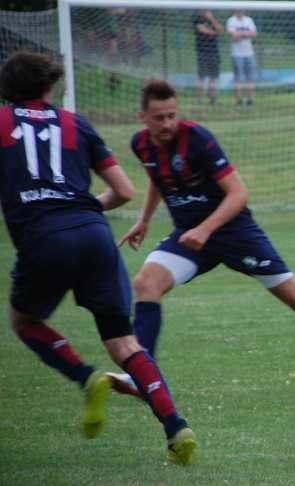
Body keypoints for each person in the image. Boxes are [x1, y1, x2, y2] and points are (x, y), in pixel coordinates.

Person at [115, 80, 295, 395]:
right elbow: (157, 179)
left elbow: (239, 193)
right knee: (146, 283)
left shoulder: (197, 139)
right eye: (159, 117)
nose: (168, 124)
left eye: (172, 115)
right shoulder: (141, 144)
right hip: (190, 239)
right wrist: (144, 220)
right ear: (142, 117)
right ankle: (142, 377)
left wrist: (205, 229)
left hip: (233, 232)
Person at [0, 52, 196, 464]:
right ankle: (176, 427)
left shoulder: (2, 123)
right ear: (49, 89)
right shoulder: (76, 124)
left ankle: (84, 377)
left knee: (24, 321)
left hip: (43, 239)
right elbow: (123, 190)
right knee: (124, 342)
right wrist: (81, 210)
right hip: (94, 234)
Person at [226, 10, 257, 106]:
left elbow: (254, 34)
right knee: (238, 78)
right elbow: (233, 35)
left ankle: (250, 99)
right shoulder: (231, 21)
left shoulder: (249, 20)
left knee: (250, 78)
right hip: (237, 54)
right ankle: (238, 100)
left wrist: (240, 34)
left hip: (249, 53)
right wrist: (246, 34)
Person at [193, 10, 224, 105]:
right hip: (202, 52)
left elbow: (221, 30)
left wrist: (212, 19)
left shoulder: (213, 20)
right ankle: (199, 100)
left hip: (214, 52)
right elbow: (203, 30)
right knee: (201, 77)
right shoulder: (197, 19)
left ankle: (213, 99)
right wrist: (215, 32)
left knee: (213, 77)